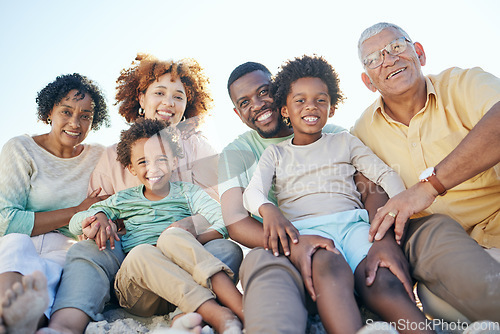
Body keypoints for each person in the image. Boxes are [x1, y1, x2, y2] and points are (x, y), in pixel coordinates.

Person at [45, 54, 243, 334]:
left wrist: (192, 226)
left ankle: (184, 316)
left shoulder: (200, 149)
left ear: (187, 106)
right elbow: (94, 212)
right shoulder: (115, 155)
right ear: (140, 98)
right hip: (132, 267)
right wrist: (101, 220)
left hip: (188, 255)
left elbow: (221, 210)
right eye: (159, 92)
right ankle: (66, 323)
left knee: (225, 249)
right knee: (88, 249)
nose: (168, 102)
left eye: (178, 96)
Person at [242, 55, 432, 334]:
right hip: (310, 232)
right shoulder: (276, 153)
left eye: (321, 100)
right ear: (285, 109)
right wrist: (268, 210)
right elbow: (253, 192)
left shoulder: (344, 141)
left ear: (331, 109)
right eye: (300, 101)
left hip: (356, 227)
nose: (311, 106)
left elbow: (385, 175)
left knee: (380, 277)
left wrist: (397, 210)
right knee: (330, 273)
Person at [352, 22, 500, 321]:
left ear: (418, 52)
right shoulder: (361, 134)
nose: (389, 59)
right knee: (438, 304)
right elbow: (366, 192)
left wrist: (429, 186)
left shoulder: (463, 83)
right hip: (445, 252)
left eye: (396, 47)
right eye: (374, 59)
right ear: (368, 82)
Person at [69, 119, 243, 333]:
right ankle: (216, 311)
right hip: (141, 290)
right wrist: (99, 215)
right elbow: (75, 223)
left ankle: (184, 315)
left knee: (226, 248)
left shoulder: (188, 193)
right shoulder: (124, 199)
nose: (153, 168)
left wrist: (190, 240)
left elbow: (221, 218)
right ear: (131, 167)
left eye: (161, 159)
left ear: (173, 161)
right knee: (142, 252)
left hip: (185, 275)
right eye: (143, 162)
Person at [0, 73, 110, 334]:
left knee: (55, 269)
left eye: (86, 115)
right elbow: (6, 221)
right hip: (17, 238)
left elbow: (109, 204)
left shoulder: (99, 156)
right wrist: (76, 210)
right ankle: (7, 314)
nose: (75, 122)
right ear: (50, 111)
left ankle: (26, 320)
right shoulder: (21, 148)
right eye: (66, 111)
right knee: (15, 247)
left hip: (66, 243)